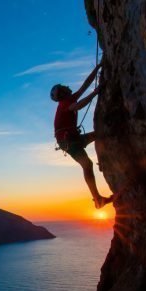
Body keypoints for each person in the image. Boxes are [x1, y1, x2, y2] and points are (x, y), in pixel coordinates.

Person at [50, 62, 113, 209]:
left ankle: (102, 161)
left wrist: (98, 68)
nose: (66, 87)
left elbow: (85, 84)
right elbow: (78, 106)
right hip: (70, 142)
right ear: (62, 94)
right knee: (87, 164)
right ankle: (97, 200)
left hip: (73, 139)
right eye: (63, 88)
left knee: (100, 135)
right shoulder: (65, 103)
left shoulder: (69, 99)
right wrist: (96, 92)